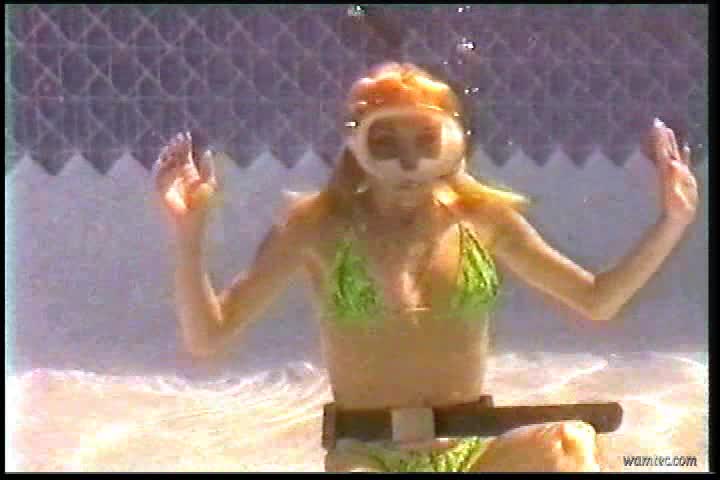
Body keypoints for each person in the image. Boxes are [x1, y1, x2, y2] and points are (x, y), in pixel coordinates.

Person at [153, 62, 699, 472]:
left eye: (425, 139)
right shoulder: (316, 227)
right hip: (366, 455)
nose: (409, 160)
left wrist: (672, 221)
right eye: (386, 141)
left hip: (472, 451)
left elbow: (598, 300)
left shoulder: (484, 220)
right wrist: (188, 236)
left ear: (451, 142)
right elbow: (208, 337)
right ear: (357, 144)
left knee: (569, 446)